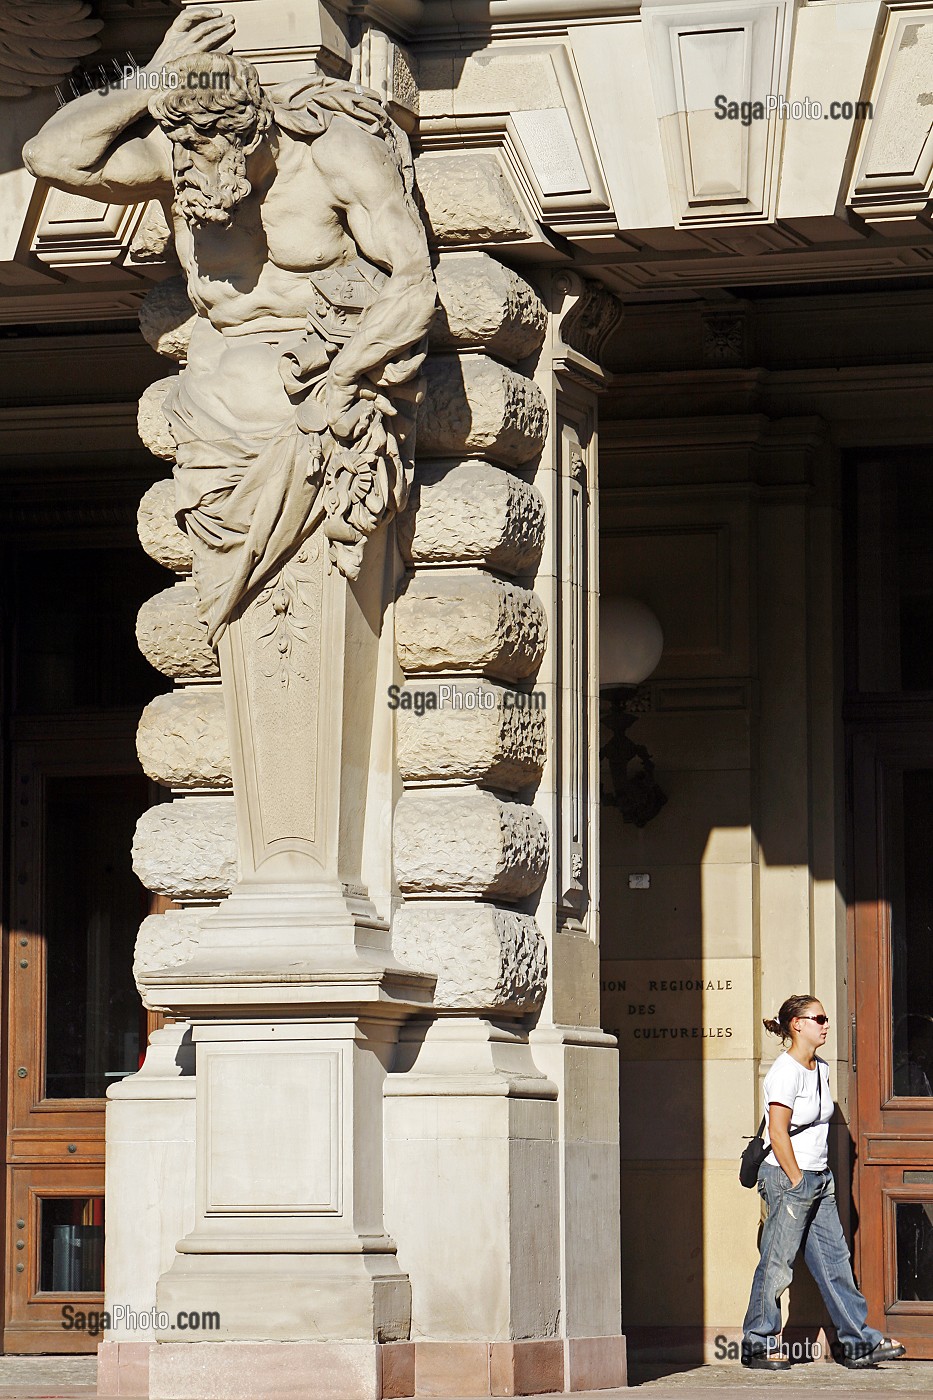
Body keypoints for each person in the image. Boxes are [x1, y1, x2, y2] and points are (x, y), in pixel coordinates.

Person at [22, 7, 436, 644]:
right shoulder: (180, 160)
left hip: (319, 422)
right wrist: (151, 79)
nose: (187, 171)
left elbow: (412, 282)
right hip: (213, 431)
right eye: (180, 154)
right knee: (235, 631)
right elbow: (48, 155)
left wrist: (345, 378)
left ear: (251, 136)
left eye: (204, 154)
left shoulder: (334, 158)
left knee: (317, 623)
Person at [742, 994, 907, 1370]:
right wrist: (798, 1181)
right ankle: (757, 1342)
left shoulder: (822, 1068)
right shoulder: (784, 1072)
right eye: (819, 1018)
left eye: (826, 1018)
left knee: (835, 1262)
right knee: (777, 1263)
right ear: (797, 1024)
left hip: (820, 1178)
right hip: (788, 1178)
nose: (826, 1024)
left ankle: (857, 1342)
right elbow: (778, 1133)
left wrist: (818, 1178)